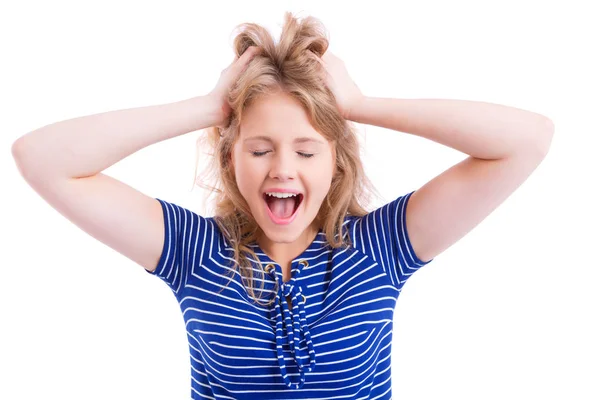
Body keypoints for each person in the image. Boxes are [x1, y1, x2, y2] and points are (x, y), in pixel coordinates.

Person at [11, 11, 554, 400]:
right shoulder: (192, 251)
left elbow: (525, 140)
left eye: (306, 149)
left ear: (335, 162)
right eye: (260, 148)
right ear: (232, 159)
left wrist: (361, 105)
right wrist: (208, 107)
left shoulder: (380, 248)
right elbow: (41, 158)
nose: (282, 169)